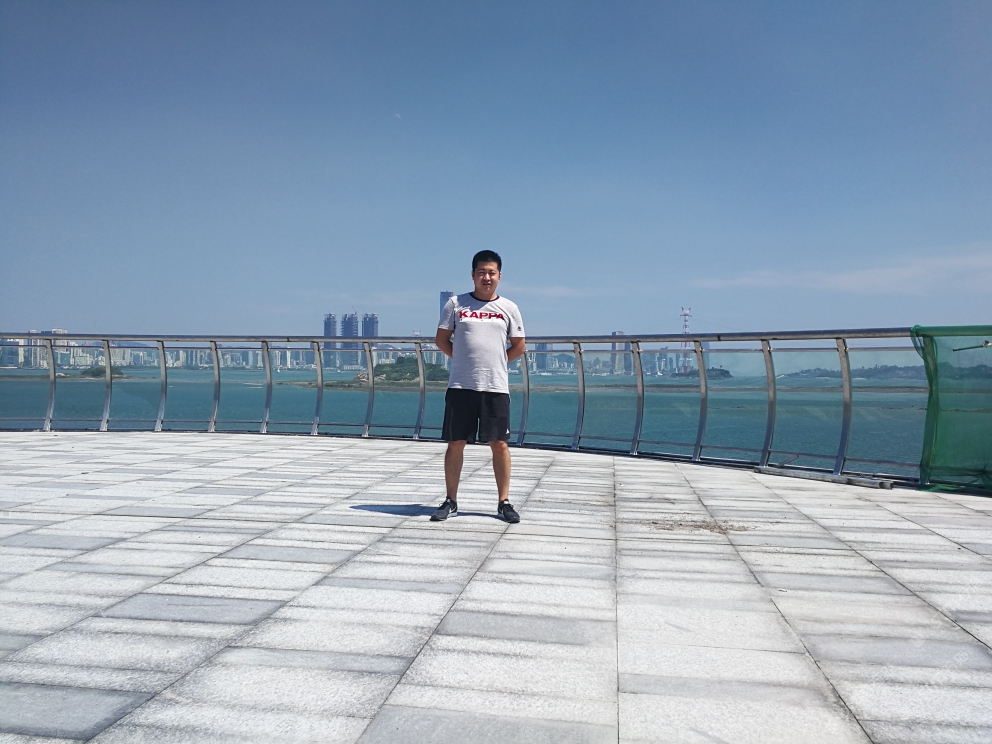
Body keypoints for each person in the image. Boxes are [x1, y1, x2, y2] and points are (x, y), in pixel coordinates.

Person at [432, 250, 526, 523]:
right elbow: (441, 340)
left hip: (495, 386)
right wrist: (463, 360)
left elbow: (519, 345)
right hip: (461, 385)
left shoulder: (509, 308)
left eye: (491, 273)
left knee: (500, 444)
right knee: (456, 443)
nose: (487, 277)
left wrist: (497, 362)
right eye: (481, 272)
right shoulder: (455, 304)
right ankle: (451, 501)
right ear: (473, 275)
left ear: (499, 276)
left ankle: (503, 502)